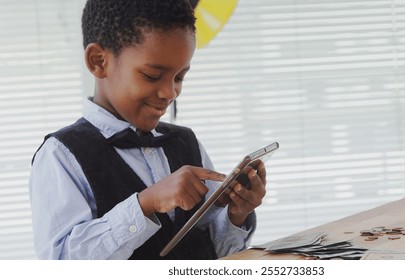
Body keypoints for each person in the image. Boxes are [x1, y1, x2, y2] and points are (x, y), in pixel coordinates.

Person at [28, 0, 267, 260]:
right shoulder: (61, 156)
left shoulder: (186, 142)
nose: (170, 92)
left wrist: (235, 213)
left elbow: (216, 251)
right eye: (152, 76)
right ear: (99, 61)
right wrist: (145, 204)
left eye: (179, 77)